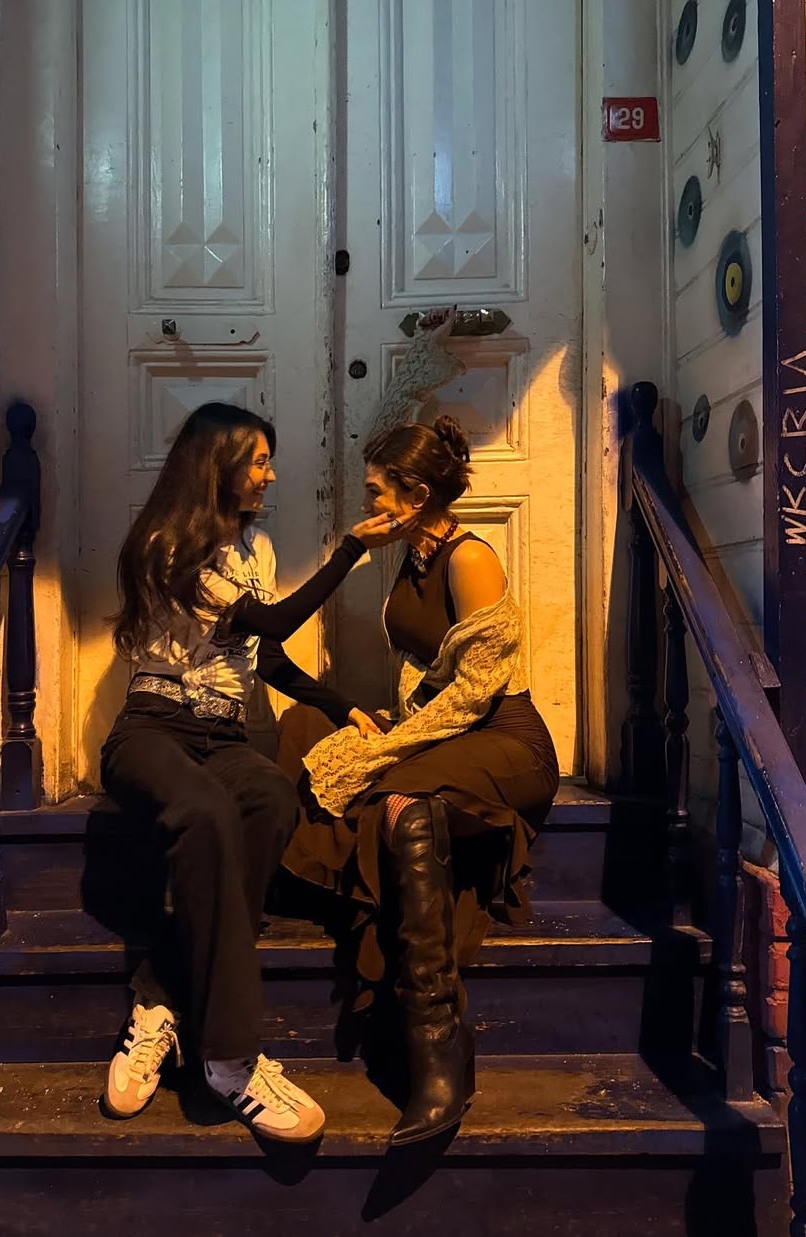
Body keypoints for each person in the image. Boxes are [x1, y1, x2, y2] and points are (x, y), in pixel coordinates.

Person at [98, 402, 408, 1143]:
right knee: (204, 810)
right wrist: (350, 550)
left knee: (269, 794)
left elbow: (266, 657)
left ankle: (160, 994)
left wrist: (340, 707)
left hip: (225, 734)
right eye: (259, 461)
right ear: (219, 465)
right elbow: (269, 622)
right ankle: (231, 1061)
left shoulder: (258, 548)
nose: (270, 475)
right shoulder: (165, 543)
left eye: (270, 461)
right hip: (153, 728)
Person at [279, 405, 560, 1147]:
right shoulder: (413, 555)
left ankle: (437, 1042)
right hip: (448, 731)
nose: (369, 502)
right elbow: (423, 676)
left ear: (416, 494)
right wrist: (386, 727)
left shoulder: (470, 558)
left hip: (506, 739)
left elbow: (474, 691)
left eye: (377, 490)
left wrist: (392, 747)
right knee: (310, 735)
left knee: (396, 795)